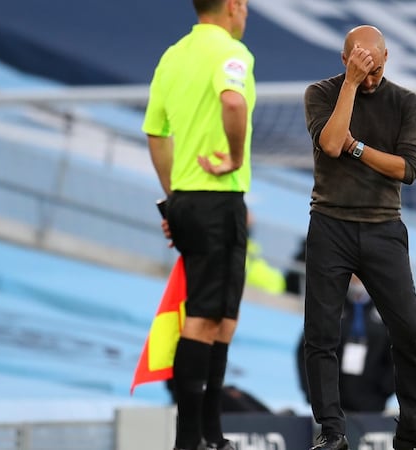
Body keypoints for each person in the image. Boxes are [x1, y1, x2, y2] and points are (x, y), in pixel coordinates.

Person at [301, 24, 416, 450]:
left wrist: (358, 148)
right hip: (330, 222)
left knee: (408, 329)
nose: (370, 77)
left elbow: (407, 169)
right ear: (345, 60)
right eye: (361, 67)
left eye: (375, 68)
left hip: (383, 225)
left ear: (387, 58)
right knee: (320, 334)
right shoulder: (321, 93)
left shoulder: (406, 102)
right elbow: (330, 143)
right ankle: (332, 432)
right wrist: (351, 85)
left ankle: (412, 427)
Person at [142, 0, 254, 449]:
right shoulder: (230, 52)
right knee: (205, 320)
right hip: (217, 199)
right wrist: (235, 157)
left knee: (223, 319)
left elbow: (155, 131)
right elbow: (233, 101)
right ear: (232, 6)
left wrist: (176, 198)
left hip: (187, 198)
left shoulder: (172, 56)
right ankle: (189, 440)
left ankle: (211, 433)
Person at [297, 275, 396, 413]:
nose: (357, 279)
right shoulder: (329, 305)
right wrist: (312, 391)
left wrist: (385, 391)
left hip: (372, 404)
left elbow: (397, 354)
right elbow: (306, 349)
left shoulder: (386, 309)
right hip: (331, 402)